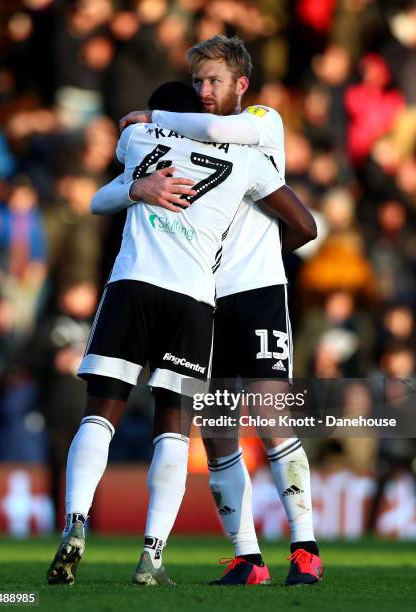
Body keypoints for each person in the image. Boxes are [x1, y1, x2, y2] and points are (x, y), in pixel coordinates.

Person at [46, 80, 316, 586]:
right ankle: (152, 556)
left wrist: (136, 184)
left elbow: (96, 201)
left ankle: (75, 522)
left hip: (131, 285)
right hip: (195, 299)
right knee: (174, 428)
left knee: (100, 411)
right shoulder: (250, 158)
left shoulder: (139, 142)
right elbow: (304, 224)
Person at [117, 35, 323, 586]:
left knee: (271, 415)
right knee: (217, 426)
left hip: (255, 291)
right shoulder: (187, 138)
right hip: (201, 293)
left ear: (242, 85)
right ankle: (248, 556)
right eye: (199, 82)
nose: (206, 92)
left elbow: (304, 225)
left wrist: (259, 260)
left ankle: (305, 547)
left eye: (215, 81)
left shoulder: (262, 122)